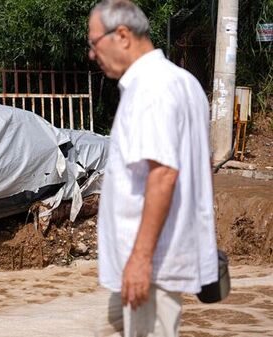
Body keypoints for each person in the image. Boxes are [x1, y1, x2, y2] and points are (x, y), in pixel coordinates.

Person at [87, 1, 219, 336]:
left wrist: (142, 259)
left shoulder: (152, 89)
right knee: (116, 323)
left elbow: (164, 173)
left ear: (122, 35)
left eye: (94, 43)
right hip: (152, 255)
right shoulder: (183, 82)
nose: (92, 54)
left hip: (152, 261)